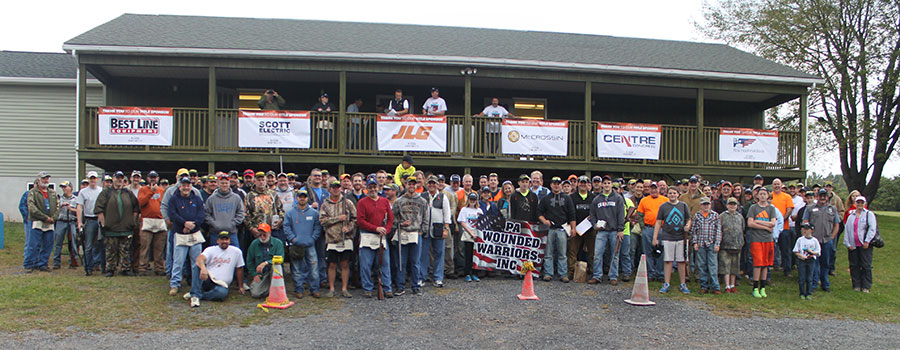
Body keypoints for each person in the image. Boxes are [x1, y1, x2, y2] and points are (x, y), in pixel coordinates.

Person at [95, 171, 140, 277]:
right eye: (117, 178)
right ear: (113, 179)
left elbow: (136, 208)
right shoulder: (106, 193)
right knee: (111, 250)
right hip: (110, 227)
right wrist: (103, 223)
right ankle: (110, 269)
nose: (119, 180)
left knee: (125, 249)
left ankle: (125, 268)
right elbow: (99, 209)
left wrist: (133, 221)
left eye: (121, 178)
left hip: (126, 227)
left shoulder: (128, 193)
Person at [356, 179, 395, 298]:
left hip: (381, 237)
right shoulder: (362, 202)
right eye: (370, 187)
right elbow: (360, 221)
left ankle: (387, 288)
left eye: (375, 187)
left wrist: (386, 230)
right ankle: (367, 288)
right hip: (367, 236)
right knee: (366, 265)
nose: (373, 189)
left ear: (378, 188)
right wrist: (375, 228)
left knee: (384, 264)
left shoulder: (384, 201)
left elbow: (390, 219)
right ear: (367, 188)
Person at [161, 168, 202, 278]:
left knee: (191, 256)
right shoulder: (171, 191)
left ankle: (188, 275)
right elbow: (165, 207)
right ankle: (170, 273)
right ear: (177, 178)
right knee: (172, 252)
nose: (186, 186)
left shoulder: (196, 193)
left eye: (186, 177)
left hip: (193, 230)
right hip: (176, 227)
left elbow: (201, 211)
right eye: (181, 177)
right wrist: (167, 220)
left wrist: (192, 225)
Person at [167, 177, 206, 294]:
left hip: (195, 233)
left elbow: (201, 214)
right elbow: (172, 214)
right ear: (179, 187)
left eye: (188, 185)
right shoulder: (174, 199)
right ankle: (174, 284)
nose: (186, 188)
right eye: (184, 185)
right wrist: (184, 223)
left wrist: (192, 225)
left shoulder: (197, 199)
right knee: (178, 262)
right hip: (180, 233)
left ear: (191, 186)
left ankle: (197, 285)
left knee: (197, 262)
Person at [320, 180, 358, 298]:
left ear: (340, 189)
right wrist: (337, 219)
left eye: (337, 187)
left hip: (345, 239)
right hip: (331, 239)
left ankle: (344, 288)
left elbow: (355, 219)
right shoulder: (325, 204)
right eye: (333, 187)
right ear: (330, 189)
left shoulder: (348, 203)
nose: (336, 189)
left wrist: (349, 227)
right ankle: (331, 288)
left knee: (345, 264)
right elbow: (322, 221)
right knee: (331, 264)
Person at [187, 231, 245, 307]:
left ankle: (198, 295)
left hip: (221, 284)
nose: (224, 241)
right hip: (208, 279)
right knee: (197, 266)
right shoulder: (210, 249)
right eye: (222, 239)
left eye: (226, 239)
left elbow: (239, 269)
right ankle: (195, 295)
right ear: (217, 241)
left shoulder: (237, 252)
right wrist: (203, 269)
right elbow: (199, 259)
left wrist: (240, 286)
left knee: (222, 293)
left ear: (229, 241)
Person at [284, 190, 322, 298]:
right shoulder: (290, 213)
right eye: (300, 197)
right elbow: (286, 227)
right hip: (296, 245)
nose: (302, 199)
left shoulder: (314, 213)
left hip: (310, 245)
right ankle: (298, 289)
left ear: (307, 199)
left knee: (314, 268)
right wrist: (293, 239)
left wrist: (313, 238)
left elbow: (317, 227)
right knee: (296, 269)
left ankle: (314, 289)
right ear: (296, 198)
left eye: (304, 197)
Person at [652, 187, 691, 294]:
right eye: (670, 193)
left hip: (681, 237)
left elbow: (688, 219)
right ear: (667, 194)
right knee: (668, 260)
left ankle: (683, 283)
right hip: (667, 237)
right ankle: (666, 283)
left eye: (674, 193)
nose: (672, 195)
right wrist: (655, 238)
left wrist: (688, 225)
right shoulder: (663, 207)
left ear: (678, 194)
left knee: (681, 261)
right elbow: (659, 222)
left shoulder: (683, 206)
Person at [588, 175, 625, 285]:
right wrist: (594, 225)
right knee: (598, 254)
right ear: (602, 185)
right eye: (605, 183)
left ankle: (613, 276)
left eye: (608, 183)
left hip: (614, 230)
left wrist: (620, 229)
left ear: (612, 184)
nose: (606, 185)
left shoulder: (618, 198)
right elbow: (592, 214)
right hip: (601, 231)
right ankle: (597, 276)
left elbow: (621, 214)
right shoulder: (597, 199)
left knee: (614, 254)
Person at [538, 176, 576, 283]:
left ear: (561, 185)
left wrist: (573, 228)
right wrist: (544, 220)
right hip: (550, 229)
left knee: (562, 254)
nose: (556, 185)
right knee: (548, 253)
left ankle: (563, 274)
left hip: (562, 229)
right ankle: (548, 273)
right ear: (551, 185)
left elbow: (572, 214)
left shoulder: (567, 198)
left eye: (558, 183)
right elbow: (539, 213)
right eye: (554, 183)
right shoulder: (546, 198)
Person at [801, 188, 840, 292]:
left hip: (827, 240)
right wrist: (807, 236)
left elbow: (836, 224)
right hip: (814, 240)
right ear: (817, 196)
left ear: (827, 197)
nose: (822, 197)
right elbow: (805, 222)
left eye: (824, 195)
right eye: (820, 195)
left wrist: (832, 236)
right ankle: (813, 284)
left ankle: (825, 284)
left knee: (826, 263)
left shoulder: (832, 209)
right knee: (814, 263)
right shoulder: (810, 208)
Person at [393, 176, 427, 295]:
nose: (411, 186)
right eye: (409, 184)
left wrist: (422, 231)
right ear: (406, 185)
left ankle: (415, 286)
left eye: (414, 184)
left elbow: (426, 218)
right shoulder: (399, 201)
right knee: (401, 262)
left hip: (416, 233)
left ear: (417, 185)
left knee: (415, 262)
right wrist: (400, 224)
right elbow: (392, 219)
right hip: (402, 233)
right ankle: (400, 286)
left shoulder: (422, 201)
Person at [746, 187, 778, 298]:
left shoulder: (771, 209)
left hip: (768, 240)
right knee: (758, 263)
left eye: (765, 194)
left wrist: (758, 222)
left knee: (766, 264)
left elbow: (773, 223)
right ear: (757, 196)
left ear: (768, 196)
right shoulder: (753, 208)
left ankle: (763, 287)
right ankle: (755, 287)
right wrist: (765, 226)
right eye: (761, 194)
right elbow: (750, 223)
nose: (763, 196)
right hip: (756, 239)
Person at [420, 176, 451, 287]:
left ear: (437, 185)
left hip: (438, 229)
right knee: (423, 254)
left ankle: (438, 278)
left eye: (434, 183)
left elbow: (447, 214)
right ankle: (422, 277)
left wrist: (446, 229)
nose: (432, 185)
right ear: (427, 184)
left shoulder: (443, 197)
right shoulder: (422, 196)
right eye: (430, 183)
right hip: (425, 229)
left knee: (439, 254)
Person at [24, 172, 58, 272]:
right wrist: (44, 217)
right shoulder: (32, 192)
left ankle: (43, 264)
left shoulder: (52, 193)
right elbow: (31, 207)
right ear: (38, 180)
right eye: (43, 178)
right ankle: (29, 264)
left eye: (47, 178)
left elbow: (58, 206)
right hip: (37, 221)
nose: (46, 180)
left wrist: (53, 217)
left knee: (48, 244)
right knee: (33, 244)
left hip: (50, 222)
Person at [844, 196, 876, 293]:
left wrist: (867, 241)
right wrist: (847, 243)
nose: (860, 205)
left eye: (862, 203)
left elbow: (872, 228)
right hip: (853, 244)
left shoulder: (869, 214)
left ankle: (866, 286)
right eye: (858, 203)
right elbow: (847, 230)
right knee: (854, 265)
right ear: (855, 203)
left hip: (864, 244)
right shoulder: (851, 215)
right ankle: (856, 284)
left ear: (865, 204)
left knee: (866, 265)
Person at [637, 182, 668, 281]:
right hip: (648, 228)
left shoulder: (665, 200)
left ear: (659, 189)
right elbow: (640, 215)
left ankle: (660, 273)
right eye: (652, 188)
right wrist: (643, 227)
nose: (654, 190)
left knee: (661, 251)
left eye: (656, 188)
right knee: (647, 251)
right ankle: (650, 273)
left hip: (662, 229)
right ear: (649, 190)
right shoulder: (644, 200)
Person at [137, 171, 167, 275]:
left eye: (155, 177)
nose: (153, 179)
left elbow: (165, 205)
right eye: (151, 177)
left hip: (160, 221)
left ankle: (159, 268)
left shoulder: (162, 191)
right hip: (146, 221)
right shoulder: (143, 190)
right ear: (148, 178)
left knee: (159, 247)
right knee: (145, 247)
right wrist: (151, 192)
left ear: (158, 178)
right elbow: (141, 203)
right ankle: (142, 268)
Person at [690, 197, 721, 294]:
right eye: (704, 204)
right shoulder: (697, 216)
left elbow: (718, 231)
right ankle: (704, 286)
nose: (706, 206)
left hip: (711, 243)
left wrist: (717, 244)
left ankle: (715, 287)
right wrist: (695, 243)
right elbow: (694, 231)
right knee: (701, 265)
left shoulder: (715, 215)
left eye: (707, 204)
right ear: (701, 205)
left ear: (710, 205)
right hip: (700, 244)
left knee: (713, 266)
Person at [568, 176, 596, 280]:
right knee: (572, 251)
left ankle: (594, 272)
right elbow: (570, 213)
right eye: (581, 182)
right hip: (576, 228)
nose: (583, 184)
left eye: (585, 183)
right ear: (578, 184)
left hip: (590, 229)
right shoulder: (571, 197)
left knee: (593, 252)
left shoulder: (593, 197)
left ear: (589, 184)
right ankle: (571, 272)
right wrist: (573, 228)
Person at [204, 175, 245, 245]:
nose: (224, 185)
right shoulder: (211, 199)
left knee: (235, 253)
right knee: (215, 255)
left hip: (231, 233)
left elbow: (241, 213)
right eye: (222, 183)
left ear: (229, 184)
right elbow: (206, 214)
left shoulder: (236, 198)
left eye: (226, 183)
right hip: (215, 233)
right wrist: (214, 224)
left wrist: (233, 223)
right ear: (218, 184)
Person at [245, 171, 285, 243]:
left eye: (263, 180)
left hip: (272, 229)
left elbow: (281, 209)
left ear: (266, 181)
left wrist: (280, 221)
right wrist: (251, 228)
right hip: (258, 230)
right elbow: (246, 214)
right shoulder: (249, 196)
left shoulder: (273, 194)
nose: (261, 182)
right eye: (259, 180)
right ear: (255, 181)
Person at [246, 223, 284, 299]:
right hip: (261, 274)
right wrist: (254, 274)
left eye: (264, 235)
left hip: (274, 272)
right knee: (255, 294)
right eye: (260, 235)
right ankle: (269, 288)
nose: (262, 237)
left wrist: (266, 263)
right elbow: (249, 261)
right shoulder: (254, 244)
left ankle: (275, 288)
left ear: (269, 233)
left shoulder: (278, 243)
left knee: (276, 266)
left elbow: (281, 258)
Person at [77, 171, 104, 275]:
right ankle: (88, 268)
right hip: (89, 219)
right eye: (91, 178)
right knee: (88, 245)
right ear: (88, 179)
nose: (93, 180)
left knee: (101, 244)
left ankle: (100, 266)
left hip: (100, 219)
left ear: (97, 179)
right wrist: (79, 222)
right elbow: (79, 207)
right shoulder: (83, 192)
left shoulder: (102, 191)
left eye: (94, 178)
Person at [718, 197, 744, 293]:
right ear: (727, 205)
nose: (732, 206)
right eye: (730, 204)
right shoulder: (722, 216)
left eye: (734, 204)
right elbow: (719, 230)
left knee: (735, 266)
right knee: (725, 266)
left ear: (737, 206)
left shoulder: (740, 216)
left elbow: (742, 228)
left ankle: (733, 285)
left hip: (737, 245)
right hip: (725, 245)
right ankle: (727, 285)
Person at [52, 181, 79, 269]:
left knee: (73, 242)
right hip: (61, 221)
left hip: (71, 221)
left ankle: (73, 261)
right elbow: (54, 209)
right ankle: (56, 262)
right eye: (62, 187)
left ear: (70, 188)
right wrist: (60, 206)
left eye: (65, 187)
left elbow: (79, 211)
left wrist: (70, 208)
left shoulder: (76, 199)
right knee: (58, 242)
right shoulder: (59, 198)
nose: (64, 189)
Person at [769, 179, 794, 273]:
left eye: (778, 184)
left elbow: (789, 209)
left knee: (786, 250)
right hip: (772, 228)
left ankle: (787, 269)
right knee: (772, 249)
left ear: (781, 185)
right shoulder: (770, 196)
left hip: (785, 228)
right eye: (775, 184)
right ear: (772, 186)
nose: (776, 186)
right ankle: (773, 265)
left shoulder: (787, 196)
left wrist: (781, 220)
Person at [457, 193, 483, 282]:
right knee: (468, 255)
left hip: (477, 235)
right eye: (471, 199)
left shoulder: (479, 210)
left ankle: (475, 273)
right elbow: (462, 222)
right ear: (468, 200)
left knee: (476, 256)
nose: (472, 201)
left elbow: (482, 222)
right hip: (468, 234)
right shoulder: (464, 209)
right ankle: (467, 273)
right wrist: (470, 232)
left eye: (474, 199)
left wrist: (476, 233)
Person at [793, 223, 820, 300]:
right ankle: (801, 293)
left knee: (809, 277)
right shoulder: (800, 240)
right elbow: (795, 251)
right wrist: (801, 256)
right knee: (801, 277)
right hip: (802, 260)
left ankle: (809, 293)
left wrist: (811, 252)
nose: (804, 231)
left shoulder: (815, 241)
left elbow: (818, 252)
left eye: (807, 229)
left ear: (811, 230)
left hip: (811, 260)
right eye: (804, 229)